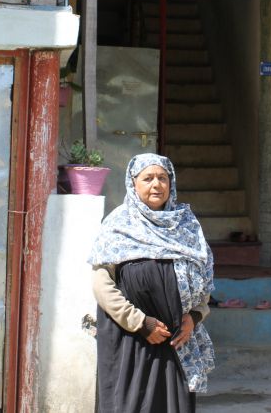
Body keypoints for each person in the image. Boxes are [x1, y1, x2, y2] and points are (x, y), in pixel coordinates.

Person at [88, 153, 215, 412]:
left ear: (172, 183)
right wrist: (140, 323)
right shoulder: (119, 224)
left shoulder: (186, 225)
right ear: (133, 184)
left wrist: (195, 316)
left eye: (163, 178)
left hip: (176, 341)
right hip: (131, 340)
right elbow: (102, 286)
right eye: (147, 178)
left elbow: (204, 281)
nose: (156, 185)